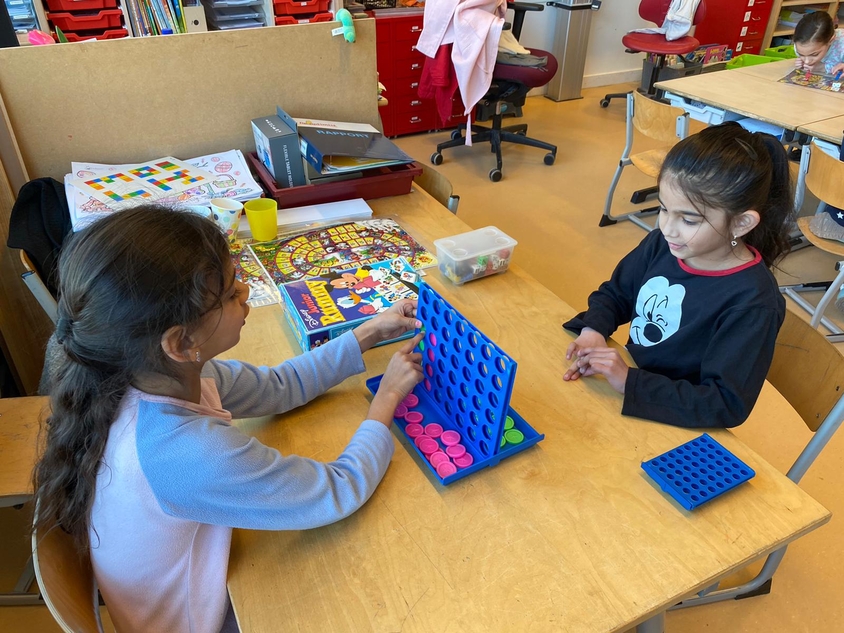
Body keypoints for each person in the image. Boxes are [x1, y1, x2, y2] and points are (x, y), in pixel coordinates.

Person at [32, 206, 424, 633]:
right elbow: (338, 490)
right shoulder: (186, 453)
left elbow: (279, 386)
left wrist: (368, 333)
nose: (246, 290)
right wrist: (386, 398)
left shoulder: (142, 374)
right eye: (230, 293)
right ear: (181, 342)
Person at [562, 122, 794, 429]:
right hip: (632, 390)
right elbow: (617, 293)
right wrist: (594, 328)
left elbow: (725, 403)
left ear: (741, 224)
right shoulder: (664, 244)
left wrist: (629, 381)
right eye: (663, 209)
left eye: (689, 220)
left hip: (674, 417)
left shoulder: (753, 302)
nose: (667, 228)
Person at [793, 11, 844, 77]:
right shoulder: (800, 45)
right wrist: (800, 63)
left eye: (814, 54)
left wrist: (823, 68)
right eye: (801, 54)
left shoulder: (842, 45)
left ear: (830, 40)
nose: (807, 61)